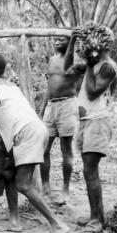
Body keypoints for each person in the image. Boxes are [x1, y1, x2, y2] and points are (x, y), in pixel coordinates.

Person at [0, 53, 70, 233]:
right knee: (8, 171)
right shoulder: (11, 86)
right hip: (31, 129)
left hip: (26, 133)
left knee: (23, 184)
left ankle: (57, 225)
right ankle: (15, 221)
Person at [67, 31, 117, 233]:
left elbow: (91, 92)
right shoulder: (95, 65)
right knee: (89, 171)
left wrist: (89, 64)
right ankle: (96, 216)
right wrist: (72, 42)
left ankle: (97, 221)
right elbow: (67, 68)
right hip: (87, 123)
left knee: (91, 172)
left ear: (102, 46)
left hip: (98, 123)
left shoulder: (107, 67)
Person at [39, 36, 83, 203]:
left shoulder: (77, 61)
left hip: (67, 105)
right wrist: (42, 109)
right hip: (52, 106)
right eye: (55, 40)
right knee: (44, 148)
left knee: (66, 149)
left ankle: (65, 189)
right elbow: (50, 86)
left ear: (70, 42)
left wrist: (72, 40)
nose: (56, 43)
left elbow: (68, 67)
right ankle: (45, 187)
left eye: (61, 40)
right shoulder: (52, 59)